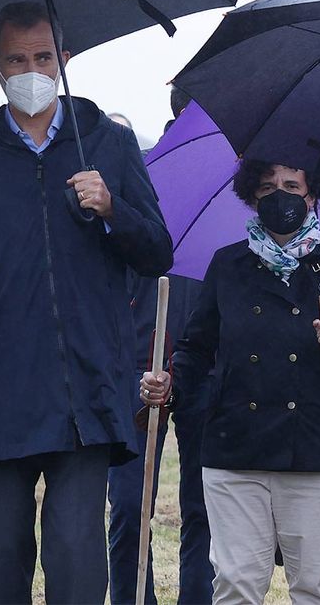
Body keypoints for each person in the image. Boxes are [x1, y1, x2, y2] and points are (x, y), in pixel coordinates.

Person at [0, 2, 172, 602]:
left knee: (78, 571)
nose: (32, 69)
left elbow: (157, 252)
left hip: (86, 398)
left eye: (43, 57)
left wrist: (113, 208)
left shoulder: (108, 144)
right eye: (17, 59)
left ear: (65, 59)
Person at [141, 156, 320, 604]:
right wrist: (172, 387)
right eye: (267, 187)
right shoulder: (228, 265)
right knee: (236, 584)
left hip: (318, 450)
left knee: (317, 586)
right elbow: (196, 349)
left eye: (292, 186)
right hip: (235, 448)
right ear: (251, 197)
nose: (281, 196)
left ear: (312, 194)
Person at [107, 87, 214, 605]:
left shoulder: (238, 188)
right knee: (130, 507)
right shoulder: (141, 170)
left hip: (208, 371)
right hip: (136, 363)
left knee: (203, 509)